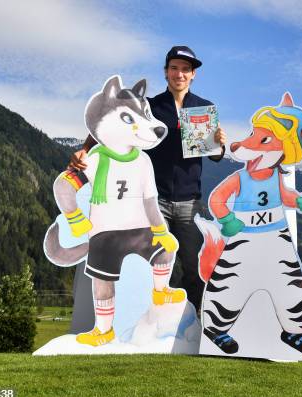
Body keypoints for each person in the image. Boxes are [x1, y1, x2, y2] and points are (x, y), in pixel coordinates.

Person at [69, 45, 226, 312]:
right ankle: (151, 326)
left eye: (186, 69)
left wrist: (220, 144)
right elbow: (111, 126)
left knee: (193, 264)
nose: (180, 74)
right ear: (166, 72)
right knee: (149, 264)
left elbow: (214, 156)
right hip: (153, 200)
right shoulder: (149, 107)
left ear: (193, 74)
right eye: (174, 68)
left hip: (189, 201)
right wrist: (85, 149)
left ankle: (196, 322)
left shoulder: (203, 108)